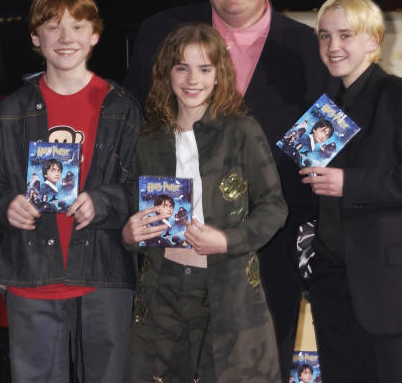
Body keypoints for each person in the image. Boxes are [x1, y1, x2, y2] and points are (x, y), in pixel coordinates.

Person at [124, 0, 325, 374]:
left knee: (254, 364)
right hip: (172, 250)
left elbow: (323, 145)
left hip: (271, 243)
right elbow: (133, 126)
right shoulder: (161, 33)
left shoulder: (308, 49)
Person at [0, 0, 143, 383]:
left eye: (78, 26)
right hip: (32, 276)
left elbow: (145, 188)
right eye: (53, 27)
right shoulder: (11, 111)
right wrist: (5, 204)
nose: (66, 38)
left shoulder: (122, 108)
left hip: (103, 276)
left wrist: (103, 201)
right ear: (36, 39)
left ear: (95, 35)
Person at [121, 22, 287, 383]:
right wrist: (130, 234)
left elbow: (274, 206)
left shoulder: (242, 131)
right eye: (181, 67)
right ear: (167, 73)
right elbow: (134, 214)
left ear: (218, 76)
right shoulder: (149, 140)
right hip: (163, 286)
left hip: (228, 285)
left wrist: (227, 240)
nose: (192, 79)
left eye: (204, 68)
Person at [299, 0, 402, 383]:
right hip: (332, 278)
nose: (333, 46)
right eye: (325, 36)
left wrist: (350, 183)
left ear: (373, 41)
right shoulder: (325, 106)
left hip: (388, 284)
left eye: (345, 35)